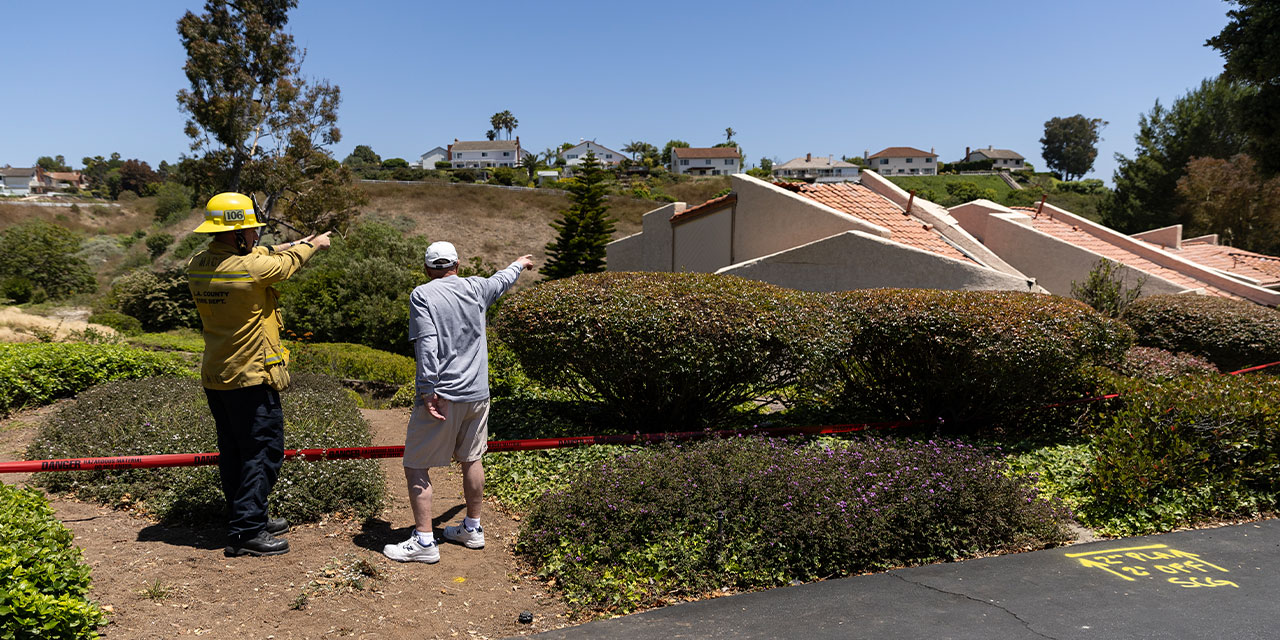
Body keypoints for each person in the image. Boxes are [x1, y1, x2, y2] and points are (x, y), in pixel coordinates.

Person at [186, 192, 331, 557]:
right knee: (262, 452)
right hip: (250, 376)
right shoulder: (250, 268)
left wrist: (292, 241)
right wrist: (313, 244)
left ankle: (246, 515)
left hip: (217, 375)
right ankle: (247, 533)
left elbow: (262, 255)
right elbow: (282, 264)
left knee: (234, 452)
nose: (256, 237)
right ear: (237, 234)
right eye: (251, 231)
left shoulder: (197, 263)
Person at [383, 241, 534, 563]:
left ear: (427, 269)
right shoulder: (477, 288)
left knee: (416, 465)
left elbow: (427, 344)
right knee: (472, 458)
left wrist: (427, 391)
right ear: (457, 264)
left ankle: (424, 541)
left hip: (444, 396)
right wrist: (519, 264)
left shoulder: (423, 294)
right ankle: (472, 528)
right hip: (478, 394)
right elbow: (501, 279)